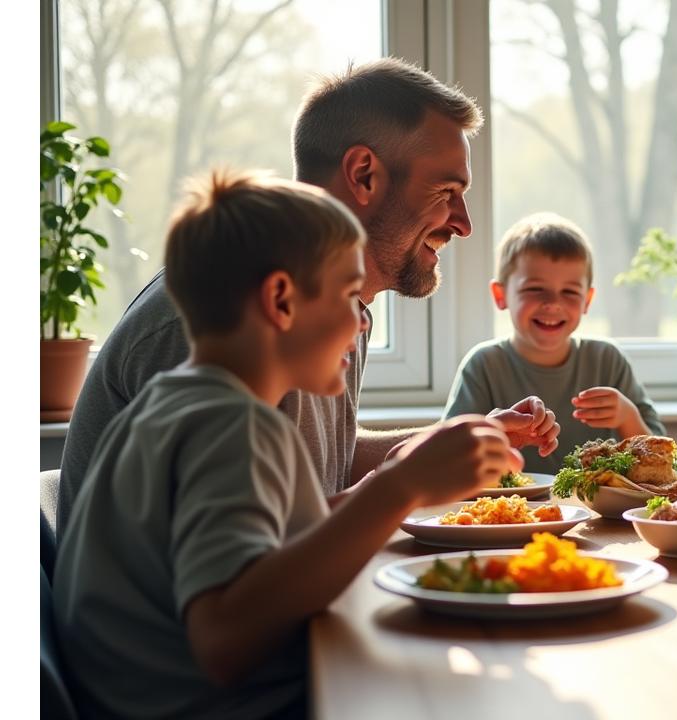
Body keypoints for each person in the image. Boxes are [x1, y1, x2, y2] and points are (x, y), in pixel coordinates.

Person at [53, 170, 521, 719]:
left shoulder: (176, 404)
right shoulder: (230, 425)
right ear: (280, 300)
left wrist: (396, 483)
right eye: (349, 296)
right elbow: (227, 638)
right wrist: (401, 487)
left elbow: (274, 548)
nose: (361, 325)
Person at [57, 58, 558, 533]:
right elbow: (225, 593)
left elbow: (321, 464)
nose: (464, 224)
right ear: (363, 174)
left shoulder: (335, 308)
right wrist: (401, 485)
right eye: (446, 191)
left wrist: (463, 442)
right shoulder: (220, 319)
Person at [443, 212, 664, 473]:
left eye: (570, 292)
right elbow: (448, 458)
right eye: (535, 289)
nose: (553, 303)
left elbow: (661, 459)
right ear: (500, 295)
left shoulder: (607, 360)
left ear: (587, 301)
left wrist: (628, 416)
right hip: (514, 511)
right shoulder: (484, 365)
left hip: (598, 513)